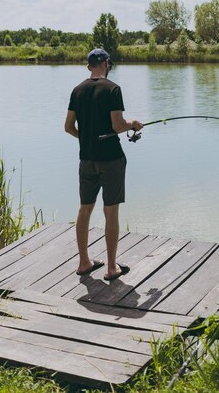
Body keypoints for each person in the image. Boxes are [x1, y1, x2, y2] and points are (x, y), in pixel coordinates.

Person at [65, 48, 143, 281]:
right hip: (111, 159)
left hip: (86, 159)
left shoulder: (77, 90)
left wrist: (86, 138)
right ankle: (111, 268)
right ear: (107, 63)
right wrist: (134, 124)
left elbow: (68, 127)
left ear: (89, 66)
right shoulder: (112, 89)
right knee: (111, 212)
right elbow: (118, 125)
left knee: (84, 209)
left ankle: (83, 263)